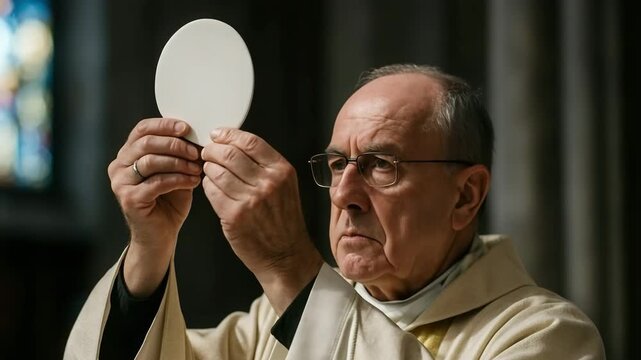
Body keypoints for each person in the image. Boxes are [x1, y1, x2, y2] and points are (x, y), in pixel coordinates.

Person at [64, 64, 605, 359]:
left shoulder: (544, 336)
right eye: (337, 162)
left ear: (465, 196)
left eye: (380, 165)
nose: (343, 192)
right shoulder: (266, 333)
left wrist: (290, 268)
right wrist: (150, 246)